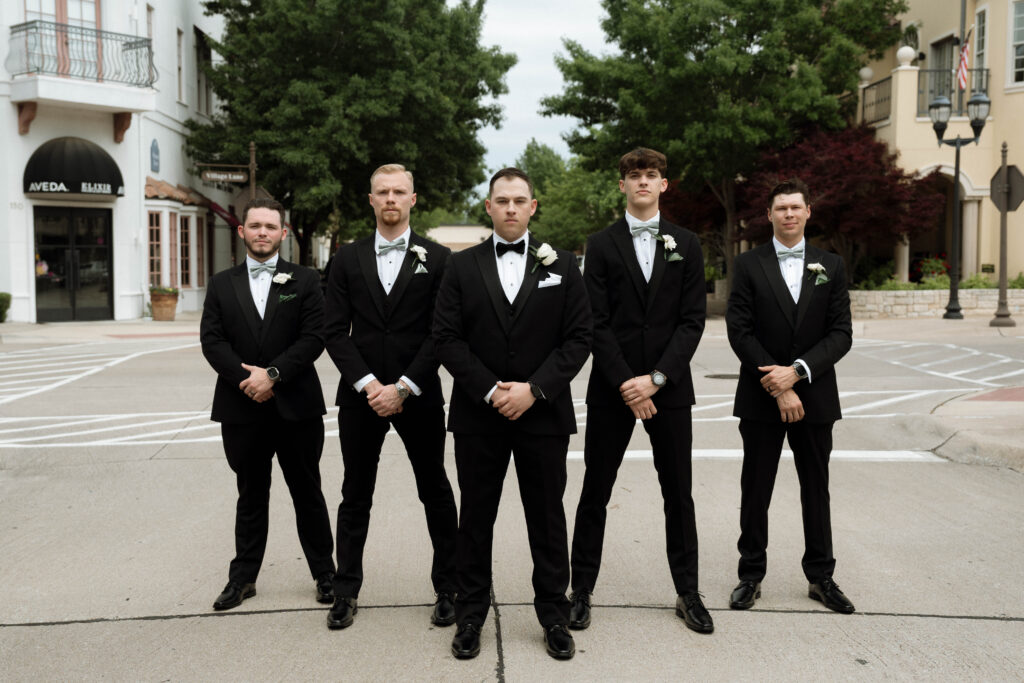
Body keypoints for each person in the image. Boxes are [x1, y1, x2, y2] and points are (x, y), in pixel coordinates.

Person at [434, 168, 592, 661]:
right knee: (476, 518)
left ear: (533, 206)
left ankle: (552, 613)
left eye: (518, 200)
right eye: (501, 200)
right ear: (488, 207)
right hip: (478, 418)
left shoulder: (563, 265)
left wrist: (535, 390)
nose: (509, 208)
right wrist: (488, 390)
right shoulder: (460, 267)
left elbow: (579, 338)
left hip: (543, 417)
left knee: (546, 519)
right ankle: (471, 613)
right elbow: (446, 337)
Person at [568, 148, 713, 634]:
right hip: (613, 389)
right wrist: (628, 382)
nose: (643, 182)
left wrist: (656, 379)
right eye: (635, 176)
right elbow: (594, 321)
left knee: (679, 494)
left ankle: (688, 592)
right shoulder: (601, 244)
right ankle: (581, 590)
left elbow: (693, 321)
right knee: (595, 490)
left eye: (652, 175)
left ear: (664, 185)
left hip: (668, 390)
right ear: (622, 185)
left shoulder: (687, 244)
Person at [322, 164, 458, 630]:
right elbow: (334, 331)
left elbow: (442, 333)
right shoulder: (345, 258)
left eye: (399, 192)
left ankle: (449, 587)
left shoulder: (439, 259)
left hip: (417, 393)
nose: (391, 199)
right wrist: (368, 385)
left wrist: (402, 387)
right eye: (383, 192)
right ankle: (346, 591)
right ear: (371, 199)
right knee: (354, 493)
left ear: (413, 199)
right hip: (360, 394)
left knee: (435, 490)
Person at [725, 177, 855, 614]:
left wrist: (797, 374)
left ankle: (821, 576)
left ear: (808, 211)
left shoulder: (830, 266)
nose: (789, 214)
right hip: (761, 396)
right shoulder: (747, 265)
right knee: (755, 487)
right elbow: (739, 332)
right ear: (768, 215)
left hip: (815, 396)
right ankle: (750, 574)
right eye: (780, 208)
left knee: (815, 489)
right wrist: (776, 384)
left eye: (796, 207)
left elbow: (841, 334)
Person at [200, 197, 336, 611]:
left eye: (270, 227)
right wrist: (248, 380)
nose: (262, 233)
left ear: (283, 233)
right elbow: (212, 340)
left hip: (297, 406)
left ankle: (325, 575)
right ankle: (242, 578)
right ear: (242, 232)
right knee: (250, 494)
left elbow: (314, 337)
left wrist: (272, 375)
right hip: (242, 408)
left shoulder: (306, 279)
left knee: (307, 492)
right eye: (255, 226)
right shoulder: (222, 283)